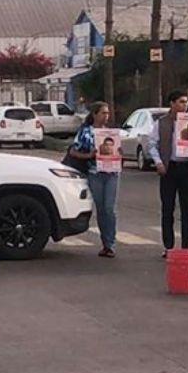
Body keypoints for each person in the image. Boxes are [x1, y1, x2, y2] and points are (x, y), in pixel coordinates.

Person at [148, 90, 188, 256]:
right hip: (170, 168)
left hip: (187, 167)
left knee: (187, 209)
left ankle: (186, 246)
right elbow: (152, 144)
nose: (185, 105)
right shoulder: (162, 123)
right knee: (168, 208)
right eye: (182, 102)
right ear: (172, 103)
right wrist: (158, 162)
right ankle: (168, 246)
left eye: (186, 102)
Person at [68, 102, 120, 258]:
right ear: (95, 114)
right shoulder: (86, 132)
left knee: (110, 208)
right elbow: (73, 151)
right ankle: (105, 243)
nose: (106, 116)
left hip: (111, 173)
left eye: (108, 113)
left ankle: (110, 243)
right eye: (103, 113)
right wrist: (89, 155)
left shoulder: (110, 133)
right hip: (95, 173)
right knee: (101, 209)